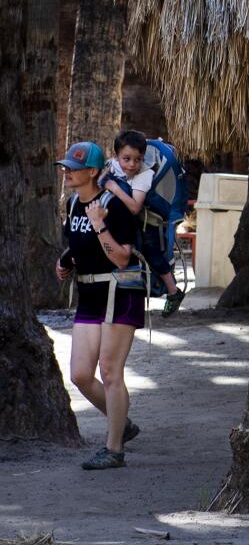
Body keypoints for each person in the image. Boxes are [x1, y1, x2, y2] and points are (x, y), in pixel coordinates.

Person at [54, 140, 144, 470]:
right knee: (79, 374)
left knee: (109, 371)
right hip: (90, 295)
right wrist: (65, 261)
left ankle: (114, 448)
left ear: (92, 172)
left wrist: (100, 224)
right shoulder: (76, 202)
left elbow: (121, 258)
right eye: (65, 167)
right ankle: (122, 422)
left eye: (73, 169)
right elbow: (77, 246)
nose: (66, 172)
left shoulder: (114, 207)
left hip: (119, 293)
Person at [105, 129, 188, 314]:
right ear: (116, 155)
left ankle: (173, 291)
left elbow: (135, 207)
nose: (132, 164)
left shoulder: (144, 175)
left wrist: (115, 188)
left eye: (138, 159)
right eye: (126, 159)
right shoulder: (111, 166)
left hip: (145, 221)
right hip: (118, 220)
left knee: (152, 253)